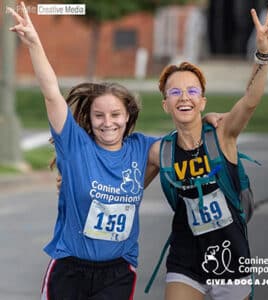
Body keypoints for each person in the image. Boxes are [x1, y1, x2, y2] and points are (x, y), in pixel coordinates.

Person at [8, 3, 160, 299]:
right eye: (99, 115)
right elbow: (51, 92)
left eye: (115, 115)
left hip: (117, 273)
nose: (108, 123)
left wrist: (209, 120)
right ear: (89, 120)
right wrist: (34, 42)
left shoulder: (142, 147)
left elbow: (183, 147)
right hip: (69, 270)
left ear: (128, 115)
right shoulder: (75, 146)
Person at [145, 5, 268, 300]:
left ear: (203, 102)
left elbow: (250, 101)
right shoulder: (160, 151)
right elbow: (126, 190)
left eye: (192, 92)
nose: (184, 98)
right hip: (185, 260)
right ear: (165, 104)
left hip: (231, 259)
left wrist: (263, 56)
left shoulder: (222, 135)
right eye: (174, 92)